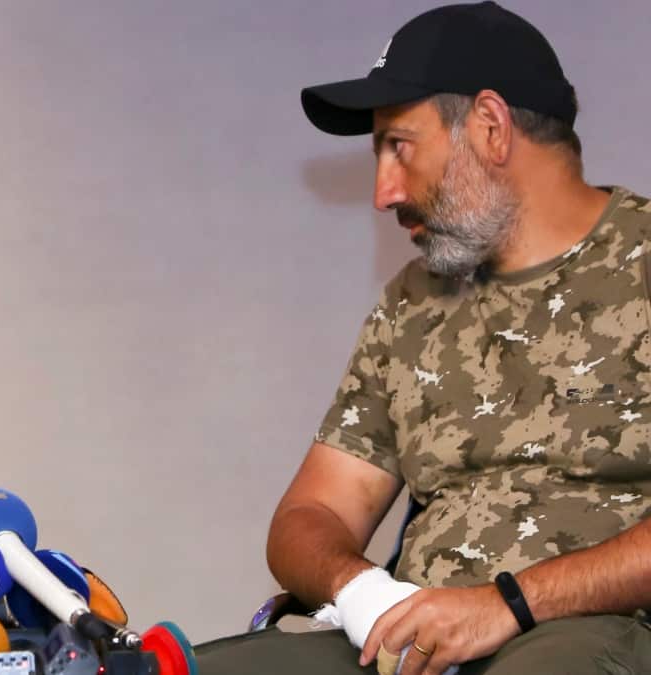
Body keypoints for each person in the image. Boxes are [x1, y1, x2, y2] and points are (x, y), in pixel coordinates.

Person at [196, 2, 651, 673]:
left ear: (491, 127)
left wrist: (507, 605)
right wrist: (363, 592)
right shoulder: (412, 304)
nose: (383, 192)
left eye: (399, 146)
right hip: (417, 641)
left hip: (593, 633)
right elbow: (311, 512)